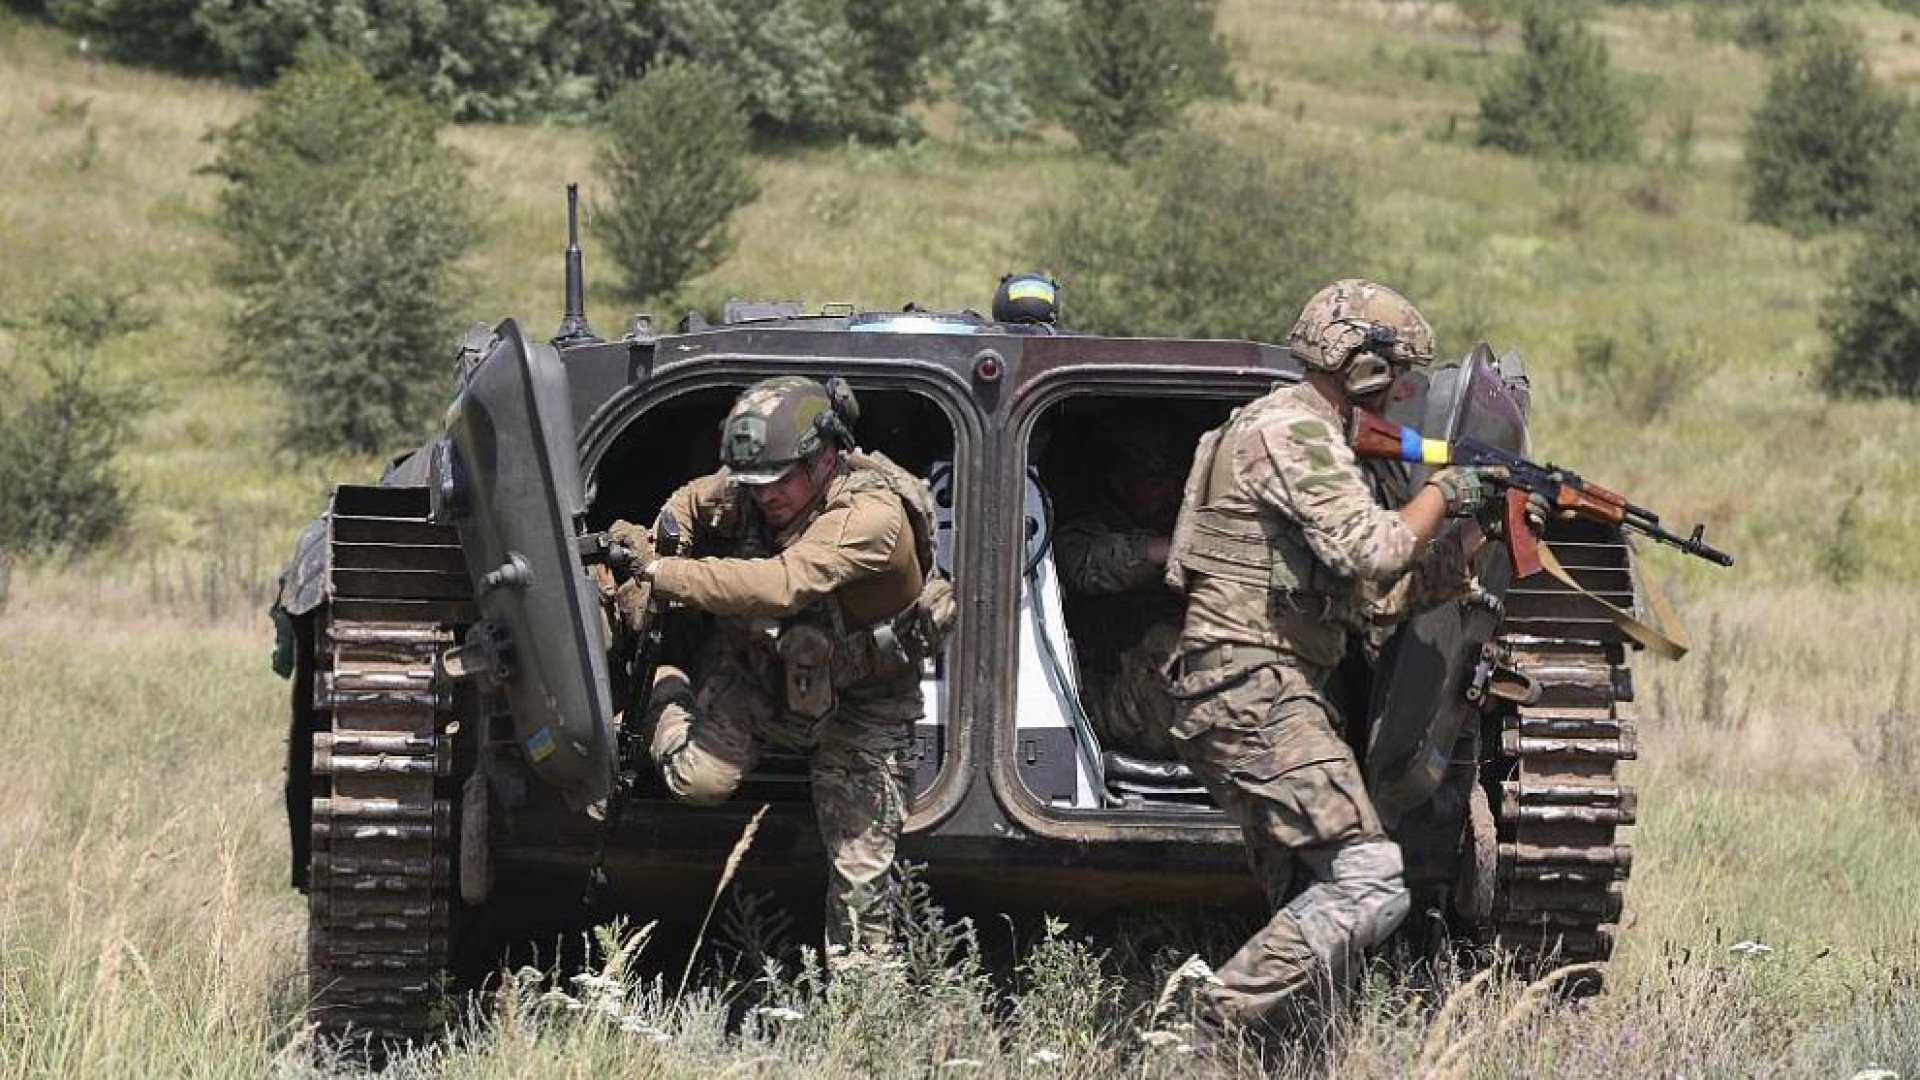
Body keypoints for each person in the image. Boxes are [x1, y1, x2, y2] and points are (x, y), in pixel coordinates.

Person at [1162, 279, 1506, 1047]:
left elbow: (1378, 599)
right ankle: (1199, 1031)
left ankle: (1284, 1058)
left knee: (1313, 898)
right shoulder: (1293, 429)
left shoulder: (1303, 434)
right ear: (1361, 364)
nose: (1402, 399)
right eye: (1400, 377)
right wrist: (1447, 493)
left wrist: (1483, 533)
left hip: (1261, 684)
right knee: (1368, 883)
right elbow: (1375, 547)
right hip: (1252, 684)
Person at [605, 376, 953, 956]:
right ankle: (666, 689)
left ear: (826, 458)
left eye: (779, 482)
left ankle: (860, 1009)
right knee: (698, 780)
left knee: (861, 873)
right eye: (754, 484)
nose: (765, 497)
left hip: (864, 697)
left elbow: (782, 584)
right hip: (761, 671)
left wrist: (666, 576)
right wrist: (667, 537)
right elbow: (693, 502)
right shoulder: (757, 482)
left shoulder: (872, 515)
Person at [1052, 418, 1186, 761]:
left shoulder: (1191, 523)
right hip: (1104, 696)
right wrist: (1165, 551)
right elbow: (1082, 565)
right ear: (1122, 482)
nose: (1170, 495)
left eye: (1176, 482)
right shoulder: (1086, 530)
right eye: (1156, 483)